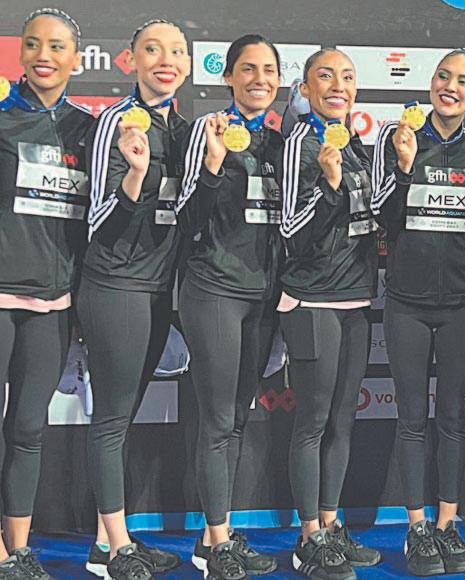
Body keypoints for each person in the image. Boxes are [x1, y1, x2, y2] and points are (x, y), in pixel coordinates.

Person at [371, 48, 465, 576]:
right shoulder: (397, 138)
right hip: (406, 304)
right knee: (411, 419)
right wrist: (404, 168)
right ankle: (417, 527)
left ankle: (448, 525)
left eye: (463, 81)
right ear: (431, 83)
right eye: (444, 76)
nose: (451, 86)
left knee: (453, 417)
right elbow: (382, 218)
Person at [78, 19, 189, 580]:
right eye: (153, 49)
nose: (166, 60)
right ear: (132, 60)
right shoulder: (115, 123)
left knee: (123, 417)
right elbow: (99, 218)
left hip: (158, 291)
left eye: (176, 51)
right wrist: (136, 173)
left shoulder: (188, 131)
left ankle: (106, 544)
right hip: (114, 284)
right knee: (112, 419)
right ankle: (118, 547)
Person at [176, 34, 283, 580]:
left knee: (238, 418)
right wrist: (214, 166)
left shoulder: (283, 142)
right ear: (228, 76)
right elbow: (186, 219)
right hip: (214, 289)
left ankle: (214, 534)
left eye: (268, 70)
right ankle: (217, 545)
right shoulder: (207, 132)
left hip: (263, 296)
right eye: (248, 69)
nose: (259, 79)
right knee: (218, 420)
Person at [278, 48, 382, 580]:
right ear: (306, 88)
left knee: (343, 419)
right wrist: (327, 183)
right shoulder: (299, 142)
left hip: (357, 299)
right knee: (314, 421)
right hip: (312, 300)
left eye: (347, 76)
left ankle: (330, 522)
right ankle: (308, 538)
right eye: (326, 76)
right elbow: (290, 230)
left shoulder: (355, 143)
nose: (338, 85)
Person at [0, 9, 94, 579]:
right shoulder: (1, 116)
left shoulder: (88, 129)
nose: (44, 55)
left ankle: (18, 548)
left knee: (28, 430)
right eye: (33, 44)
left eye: (57, 46)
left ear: (75, 59)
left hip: (54, 304)